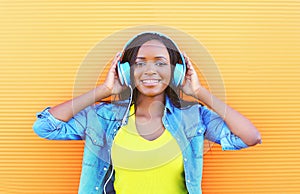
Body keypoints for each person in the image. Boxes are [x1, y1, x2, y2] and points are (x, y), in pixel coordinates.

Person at [33, 31, 261, 194]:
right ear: (126, 72)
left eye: (160, 63)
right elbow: (45, 126)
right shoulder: (103, 117)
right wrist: (103, 90)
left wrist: (199, 92)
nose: (150, 70)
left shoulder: (194, 116)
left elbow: (250, 137)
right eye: (140, 63)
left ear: (176, 73)